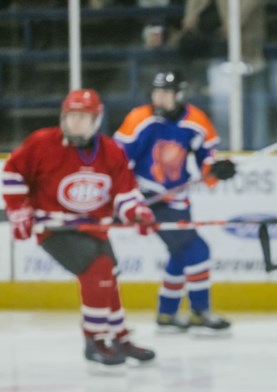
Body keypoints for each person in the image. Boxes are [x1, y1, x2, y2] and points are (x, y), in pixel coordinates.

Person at [3, 88, 156, 369]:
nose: (75, 122)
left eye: (82, 117)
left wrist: (138, 212)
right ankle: (95, 339)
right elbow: (12, 172)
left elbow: (125, 193)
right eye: (70, 116)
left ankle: (118, 335)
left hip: (93, 227)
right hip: (54, 229)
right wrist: (20, 210)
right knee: (97, 269)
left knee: (108, 274)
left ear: (96, 120)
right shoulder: (41, 144)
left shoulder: (111, 151)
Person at [114, 70, 237, 334]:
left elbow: (207, 156)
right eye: (156, 93)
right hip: (149, 199)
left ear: (178, 95)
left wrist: (216, 169)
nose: (159, 99)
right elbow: (117, 160)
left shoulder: (196, 120)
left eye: (166, 94)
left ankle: (167, 313)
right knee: (196, 250)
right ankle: (200, 311)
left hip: (178, 199)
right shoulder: (139, 119)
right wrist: (129, 197)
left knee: (179, 254)